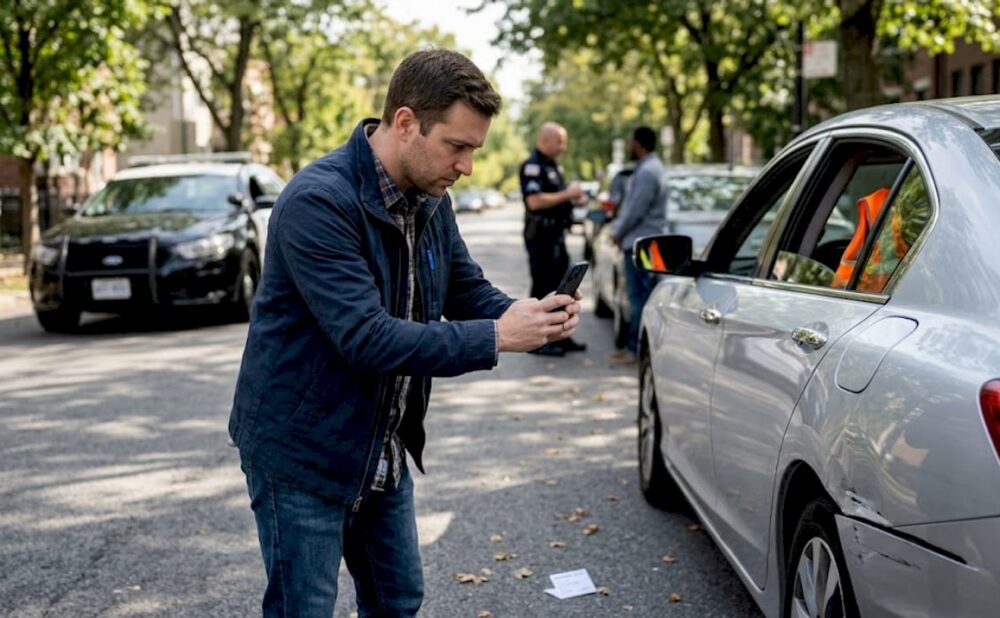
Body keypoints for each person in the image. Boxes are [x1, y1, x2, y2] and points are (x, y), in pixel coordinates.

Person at [228, 49, 582, 617]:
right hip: (302, 452)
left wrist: (529, 312)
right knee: (306, 608)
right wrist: (496, 337)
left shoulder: (432, 196)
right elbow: (367, 338)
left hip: (380, 445)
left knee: (398, 601)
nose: (467, 165)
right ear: (405, 123)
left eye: (474, 149)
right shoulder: (319, 201)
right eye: (457, 146)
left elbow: (465, 288)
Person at [519, 121, 590, 357]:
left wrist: (573, 200)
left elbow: (558, 198)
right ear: (544, 141)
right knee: (543, 287)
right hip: (541, 237)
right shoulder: (532, 166)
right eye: (560, 141)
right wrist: (567, 194)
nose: (564, 146)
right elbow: (535, 201)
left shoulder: (553, 167)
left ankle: (561, 335)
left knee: (564, 287)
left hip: (557, 235)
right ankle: (539, 342)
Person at [610, 126, 668, 366]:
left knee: (639, 299)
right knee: (641, 296)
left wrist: (617, 232)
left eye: (632, 142)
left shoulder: (647, 172)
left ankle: (635, 350)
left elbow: (635, 210)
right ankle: (634, 349)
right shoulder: (653, 168)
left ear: (639, 144)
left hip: (640, 244)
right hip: (645, 242)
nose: (630, 146)